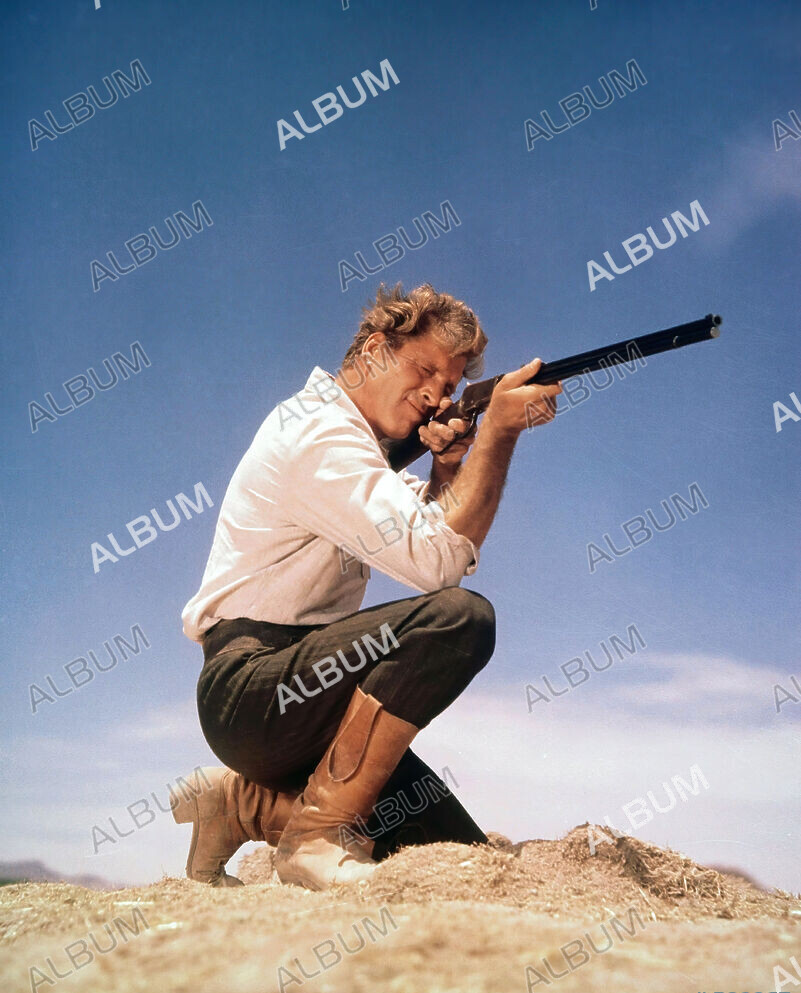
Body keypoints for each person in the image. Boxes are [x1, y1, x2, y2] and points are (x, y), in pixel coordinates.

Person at [174, 283, 561, 890]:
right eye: (424, 368)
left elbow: (424, 528)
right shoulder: (321, 434)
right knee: (457, 619)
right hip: (255, 691)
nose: (438, 393)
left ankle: (241, 805)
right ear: (376, 350)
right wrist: (499, 434)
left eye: (452, 384)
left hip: (317, 695)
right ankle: (313, 838)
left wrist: (448, 467)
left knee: (452, 853)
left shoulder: (360, 451)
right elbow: (437, 568)